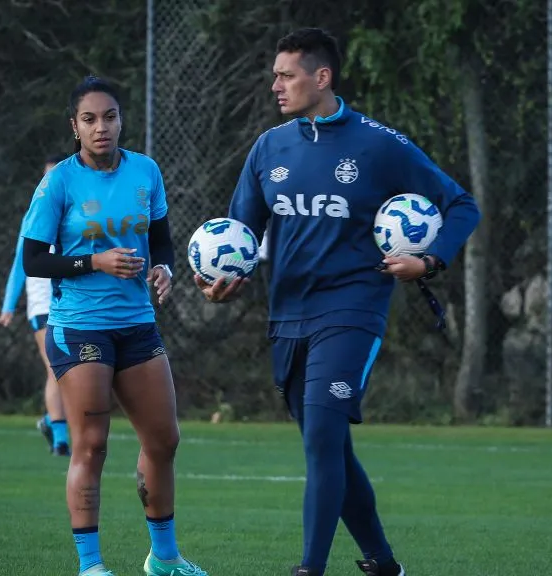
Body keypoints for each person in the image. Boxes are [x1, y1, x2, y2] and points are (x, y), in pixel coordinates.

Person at [194, 28, 481, 576]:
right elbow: (240, 239)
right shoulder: (268, 148)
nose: (275, 84)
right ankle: (384, 562)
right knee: (332, 452)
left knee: (324, 436)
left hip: (353, 310)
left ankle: (309, 569)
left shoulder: (379, 144)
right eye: (274, 74)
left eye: (286, 74)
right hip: (288, 314)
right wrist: (223, 283)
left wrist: (430, 260)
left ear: (320, 77)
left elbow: (461, 205)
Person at [21, 75, 209, 576]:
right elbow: (34, 260)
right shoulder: (59, 180)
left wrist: (164, 267)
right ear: (74, 128)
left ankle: (164, 559)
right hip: (81, 327)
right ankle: (92, 566)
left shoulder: (146, 171)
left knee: (164, 440)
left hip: (137, 324)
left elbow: (163, 239)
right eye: (89, 119)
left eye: (109, 116)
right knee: (92, 444)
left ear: (121, 121)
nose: (101, 127)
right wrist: (95, 263)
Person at [0, 153, 71, 456]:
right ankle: (61, 439)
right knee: (56, 369)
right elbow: (20, 262)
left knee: (76, 372)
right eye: (47, 175)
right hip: (43, 304)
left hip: (74, 303)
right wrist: (8, 304)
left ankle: (51, 421)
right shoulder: (37, 213)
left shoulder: (80, 212)